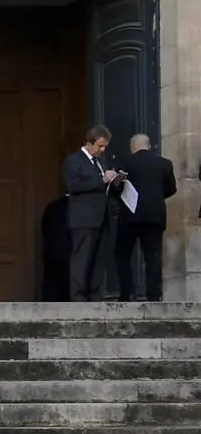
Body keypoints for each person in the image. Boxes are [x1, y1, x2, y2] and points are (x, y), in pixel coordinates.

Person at [61, 125, 122, 302]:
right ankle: (78, 294)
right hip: (83, 218)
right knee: (82, 257)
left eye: (104, 147)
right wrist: (102, 180)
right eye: (99, 146)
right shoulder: (73, 161)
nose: (102, 150)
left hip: (102, 217)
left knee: (98, 258)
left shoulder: (99, 162)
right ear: (89, 142)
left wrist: (115, 181)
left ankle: (95, 293)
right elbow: (72, 186)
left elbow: (102, 187)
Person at [115, 133, 177, 301]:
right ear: (149, 145)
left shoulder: (125, 163)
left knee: (122, 254)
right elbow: (171, 189)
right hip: (154, 216)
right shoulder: (165, 164)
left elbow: (116, 188)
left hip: (130, 215)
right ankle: (154, 295)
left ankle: (127, 293)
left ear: (133, 147)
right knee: (153, 256)